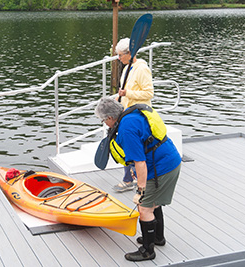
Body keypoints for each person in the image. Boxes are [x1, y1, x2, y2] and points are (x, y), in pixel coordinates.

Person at [95, 97, 181, 262]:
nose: (105, 124)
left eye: (103, 120)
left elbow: (140, 161)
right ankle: (157, 238)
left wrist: (141, 190)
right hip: (169, 160)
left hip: (161, 168)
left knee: (144, 208)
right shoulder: (130, 116)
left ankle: (147, 251)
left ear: (110, 118)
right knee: (153, 203)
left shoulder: (126, 129)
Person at [112, 37, 154, 193]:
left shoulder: (141, 69)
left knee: (133, 147)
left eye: (121, 55)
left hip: (138, 115)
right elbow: (125, 92)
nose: (118, 58)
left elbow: (149, 93)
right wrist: (119, 99)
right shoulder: (126, 68)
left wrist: (128, 93)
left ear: (129, 54)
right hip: (127, 113)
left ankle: (130, 179)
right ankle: (131, 177)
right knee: (125, 145)